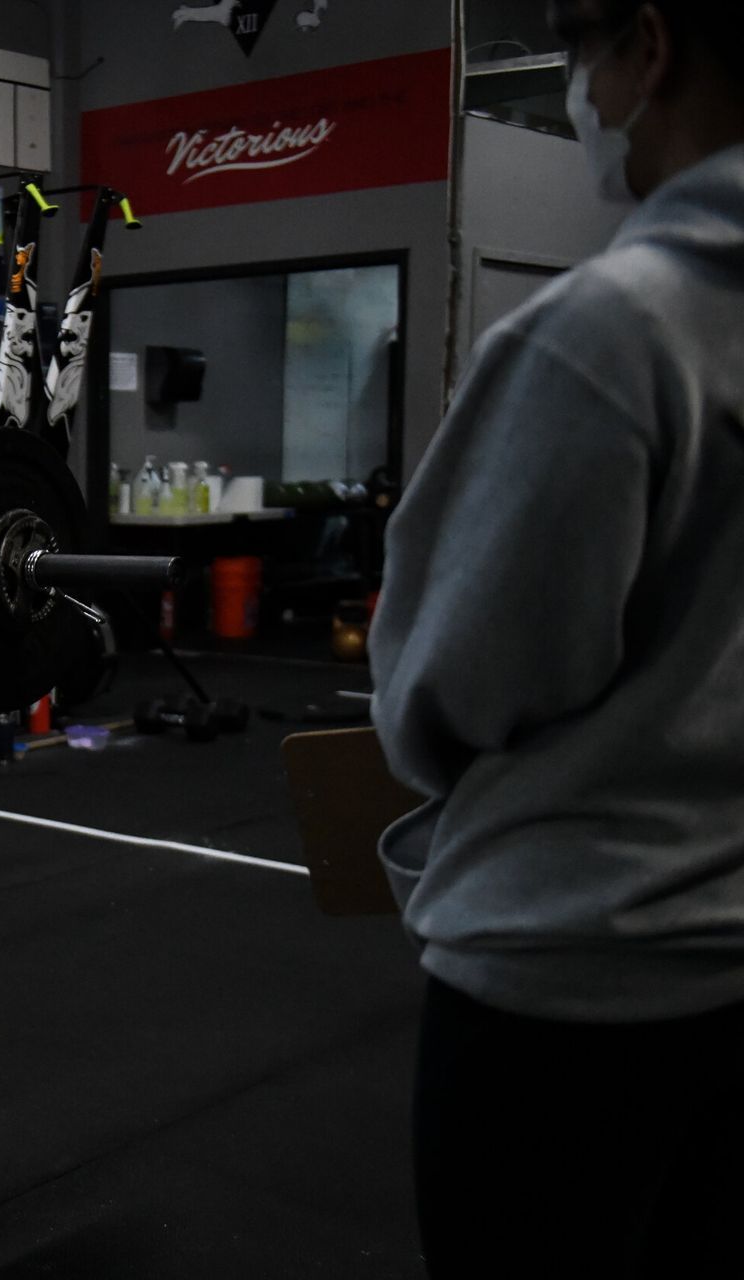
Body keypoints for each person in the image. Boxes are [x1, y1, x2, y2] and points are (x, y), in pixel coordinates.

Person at [369, 2, 744, 1273]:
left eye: (582, 55)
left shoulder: (611, 333)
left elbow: (454, 689)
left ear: (652, 47)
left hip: (572, 984)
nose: (580, 90)